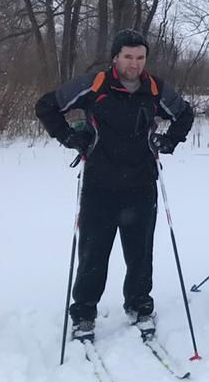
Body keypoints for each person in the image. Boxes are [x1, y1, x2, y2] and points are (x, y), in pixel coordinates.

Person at [36, 29, 194, 341]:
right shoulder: (94, 85)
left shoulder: (155, 88)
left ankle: (139, 305)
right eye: (128, 57)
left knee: (140, 253)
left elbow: (185, 114)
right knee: (94, 253)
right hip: (99, 183)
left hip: (141, 183)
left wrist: (168, 141)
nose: (134, 64)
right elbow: (46, 106)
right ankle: (83, 313)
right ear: (115, 58)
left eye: (140, 57)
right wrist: (70, 137)